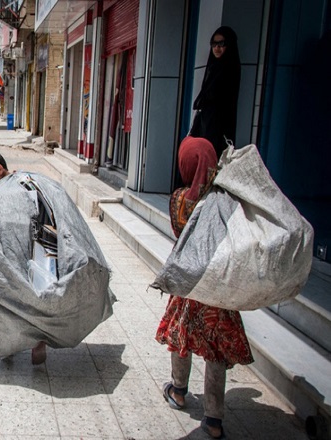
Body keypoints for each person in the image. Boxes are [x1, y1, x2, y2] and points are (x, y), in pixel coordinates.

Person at [0, 150, 114, 365]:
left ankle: (10, 343)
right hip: (47, 249)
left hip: (28, 249)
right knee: (41, 291)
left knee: (8, 292)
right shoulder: (37, 181)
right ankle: (37, 344)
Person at [156, 136, 254, 439]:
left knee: (181, 337)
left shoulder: (180, 200)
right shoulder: (227, 201)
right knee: (216, 350)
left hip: (189, 286)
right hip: (219, 289)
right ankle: (213, 419)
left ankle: (179, 391)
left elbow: (179, 232)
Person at [190, 26, 241, 159]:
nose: (217, 48)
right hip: (206, 125)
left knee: (212, 161)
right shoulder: (213, 67)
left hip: (220, 129)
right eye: (214, 44)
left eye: (221, 44)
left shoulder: (230, 69)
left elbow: (226, 104)